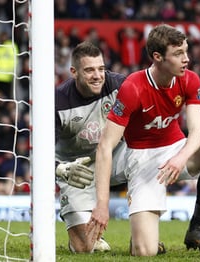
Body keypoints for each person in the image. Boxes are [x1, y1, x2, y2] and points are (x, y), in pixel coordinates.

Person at [88, 24, 200, 256]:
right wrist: (102, 205)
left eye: (186, 51)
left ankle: (196, 228)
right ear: (157, 57)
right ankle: (142, 237)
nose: (186, 59)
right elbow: (105, 146)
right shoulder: (133, 87)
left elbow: (196, 131)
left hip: (176, 149)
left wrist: (179, 158)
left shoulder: (190, 80)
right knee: (145, 252)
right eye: (178, 54)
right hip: (141, 157)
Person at [54, 41, 127, 253]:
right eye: (89, 70)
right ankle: (81, 235)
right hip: (76, 171)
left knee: (145, 157)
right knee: (84, 248)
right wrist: (60, 169)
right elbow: (36, 152)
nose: (97, 75)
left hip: (114, 158)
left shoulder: (118, 85)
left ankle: (144, 236)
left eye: (101, 68)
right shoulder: (57, 103)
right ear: (74, 72)